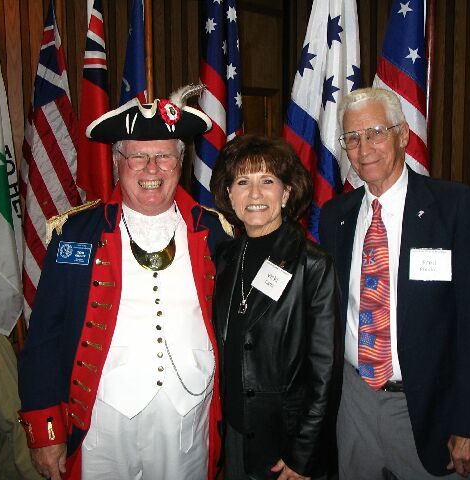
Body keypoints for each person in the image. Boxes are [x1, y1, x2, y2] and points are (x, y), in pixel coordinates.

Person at [17, 86, 230, 480]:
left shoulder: (216, 232)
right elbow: (45, 335)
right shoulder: (77, 234)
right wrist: (44, 430)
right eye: (138, 157)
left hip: (189, 418)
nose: (152, 169)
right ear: (118, 162)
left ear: (180, 163)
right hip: (103, 422)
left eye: (164, 156)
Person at [319, 87, 470, 479]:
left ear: (403, 134)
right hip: (353, 403)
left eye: (376, 133)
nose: (364, 148)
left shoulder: (456, 208)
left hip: (430, 410)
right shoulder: (336, 215)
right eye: (352, 138)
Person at [210, 134, 341, 480]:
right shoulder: (224, 259)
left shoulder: (312, 265)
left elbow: (325, 374)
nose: (255, 194)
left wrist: (303, 453)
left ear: (285, 193)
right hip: (235, 433)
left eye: (267, 181)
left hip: (286, 443)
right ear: (229, 195)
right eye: (243, 182)